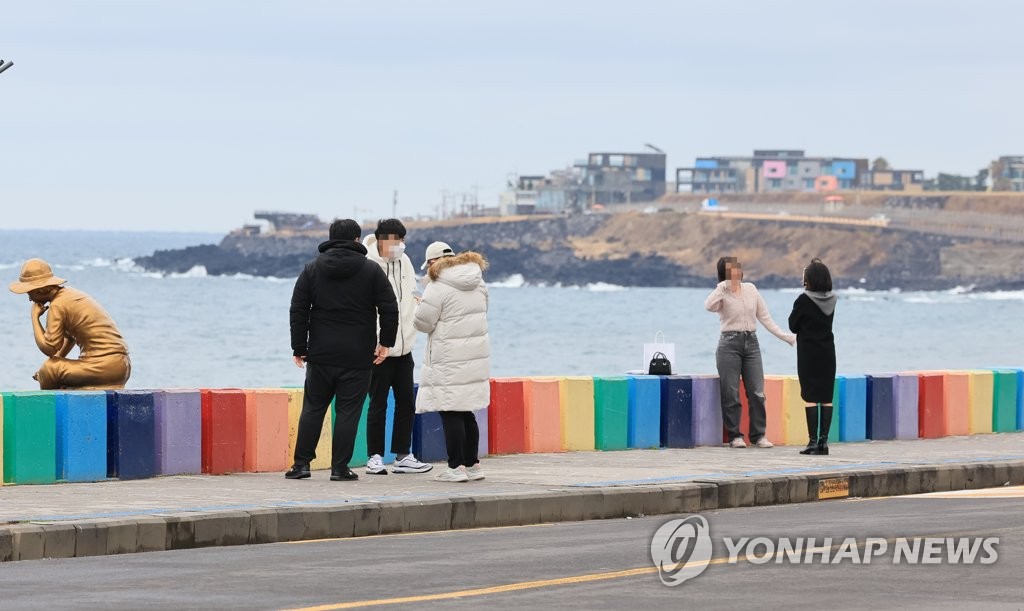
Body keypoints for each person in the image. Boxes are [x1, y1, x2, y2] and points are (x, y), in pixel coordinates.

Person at [287, 219, 399, 481]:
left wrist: (299, 346)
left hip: (321, 354)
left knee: (313, 408)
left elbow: (298, 309)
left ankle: (301, 465)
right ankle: (339, 468)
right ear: (358, 240)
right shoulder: (371, 271)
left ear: (331, 237)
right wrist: (386, 343)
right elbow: (389, 307)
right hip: (358, 355)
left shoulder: (312, 269)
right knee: (349, 411)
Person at [413, 243, 490, 482]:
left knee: (450, 411)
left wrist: (419, 306)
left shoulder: (437, 286)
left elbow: (423, 323)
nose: (427, 271)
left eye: (428, 266)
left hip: (448, 356)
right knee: (466, 411)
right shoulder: (478, 281)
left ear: (434, 261)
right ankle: (473, 465)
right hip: (474, 355)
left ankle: (455, 468)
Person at [362, 219, 432, 475]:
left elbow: (413, 295)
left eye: (402, 240)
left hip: (405, 348)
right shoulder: (367, 264)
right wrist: (375, 342)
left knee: (406, 403)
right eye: (394, 240)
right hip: (379, 350)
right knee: (377, 404)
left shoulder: (406, 262)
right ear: (381, 240)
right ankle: (375, 457)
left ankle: (403, 455)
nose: (399, 245)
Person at [705, 257, 796, 448]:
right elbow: (709, 306)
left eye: (737, 269)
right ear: (724, 274)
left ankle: (758, 436)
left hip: (751, 344)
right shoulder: (721, 293)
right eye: (730, 271)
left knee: (757, 392)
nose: (735, 274)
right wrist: (721, 287)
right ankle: (735, 436)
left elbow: (766, 318)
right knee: (731, 392)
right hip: (728, 344)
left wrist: (787, 337)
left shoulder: (751, 289)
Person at [8, 258, 131, 390]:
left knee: (49, 370)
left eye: (29, 293)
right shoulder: (69, 295)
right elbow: (69, 338)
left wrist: (34, 317)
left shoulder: (58, 305)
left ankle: (51, 410)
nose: (29, 299)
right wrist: (55, 361)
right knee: (50, 369)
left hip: (103, 365)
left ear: (39, 290)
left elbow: (49, 348)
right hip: (120, 365)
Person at [788, 258, 837, 456]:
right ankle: (824, 443)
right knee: (826, 397)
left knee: (809, 396)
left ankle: (812, 442)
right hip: (827, 352)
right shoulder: (832, 300)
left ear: (810, 279)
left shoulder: (803, 300)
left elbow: (793, 325)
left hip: (808, 353)